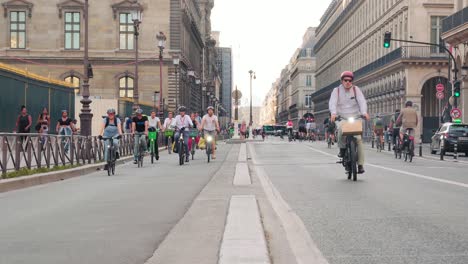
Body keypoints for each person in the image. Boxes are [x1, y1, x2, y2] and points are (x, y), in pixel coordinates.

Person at [329, 71, 369, 174]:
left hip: (355, 117)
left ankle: (360, 165)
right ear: (342, 81)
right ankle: (342, 149)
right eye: (345, 80)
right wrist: (333, 113)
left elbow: (362, 101)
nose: (348, 82)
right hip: (341, 117)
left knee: (359, 140)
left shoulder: (356, 90)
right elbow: (332, 103)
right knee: (341, 131)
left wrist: (364, 112)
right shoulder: (336, 91)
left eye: (350, 80)